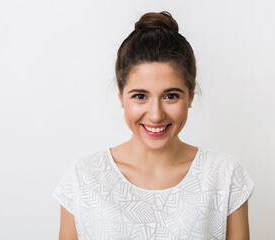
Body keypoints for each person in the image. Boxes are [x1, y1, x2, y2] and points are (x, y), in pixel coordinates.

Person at [52, 11, 254, 240]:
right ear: (121, 96)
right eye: (140, 96)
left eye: (171, 96)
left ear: (190, 96)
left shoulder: (224, 176)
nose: (156, 115)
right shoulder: (83, 178)